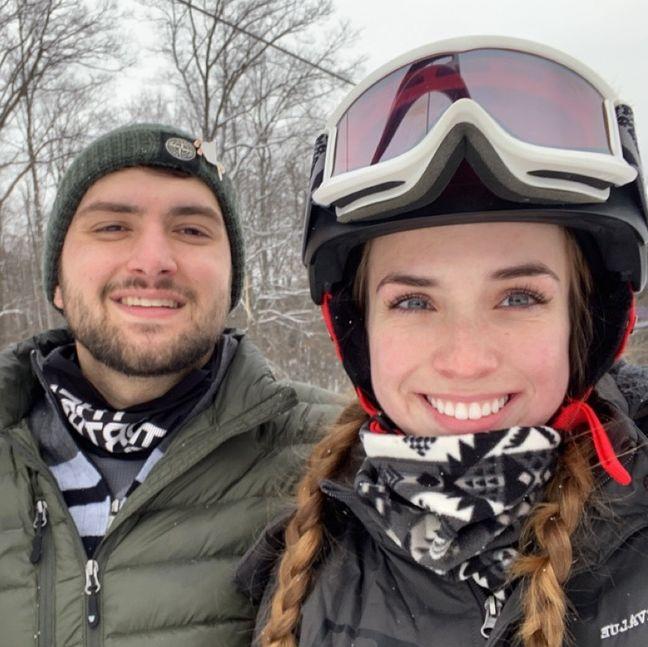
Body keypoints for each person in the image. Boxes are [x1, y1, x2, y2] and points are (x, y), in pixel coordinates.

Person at [236, 37, 648, 646]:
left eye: (519, 297)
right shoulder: (302, 568)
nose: (466, 359)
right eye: (413, 302)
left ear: (584, 323)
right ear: (359, 331)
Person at [0, 123, 340, 646]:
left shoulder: (338, 461)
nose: (154, 262)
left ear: (231, 281)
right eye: (113, 227)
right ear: (58, 281)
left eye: (191, 230)